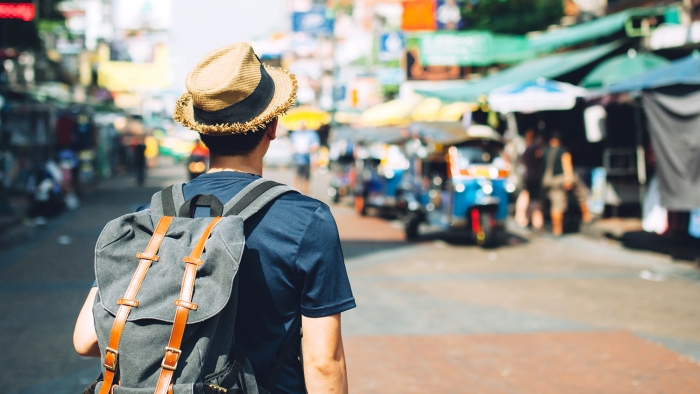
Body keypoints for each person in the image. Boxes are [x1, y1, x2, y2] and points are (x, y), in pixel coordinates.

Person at [73, 43, 354, 394]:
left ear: (202, 131)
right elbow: (323, 362)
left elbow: (86, 339)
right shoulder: (307, 221)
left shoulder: (152, 216)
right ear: (272, 126)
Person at [542, 131, 592, 236]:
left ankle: (557, 229)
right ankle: (586, 216)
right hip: (562, 178)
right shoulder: (562, 151)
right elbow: (567, 164)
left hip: (550, 181)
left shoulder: (545, 151)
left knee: (556, 204)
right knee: (581, 193)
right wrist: (569, 179)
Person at [515, 129, 544, 229]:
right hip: (534, 177)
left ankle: (525, 218)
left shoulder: (527, 148)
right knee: (533, 199)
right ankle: (535, 221)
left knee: (527, 197)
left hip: (528, 176)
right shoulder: (534, 148)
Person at [290, 120, 320, 195]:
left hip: (307, 158)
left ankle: (306, 194)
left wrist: (308, 149)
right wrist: (296, 149)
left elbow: (316, 145)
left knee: (307, 178)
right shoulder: (295, 134)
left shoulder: (311, 133)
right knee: (297, 177)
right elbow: (291, 145)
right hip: (297, 158)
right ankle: (296, 194)